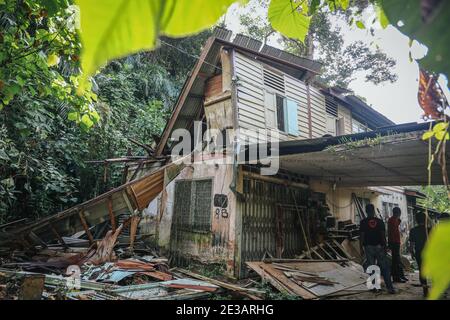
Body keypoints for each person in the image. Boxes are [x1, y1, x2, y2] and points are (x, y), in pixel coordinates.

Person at [360, 204, 396, 294]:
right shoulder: (380, 222)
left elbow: (362, 236)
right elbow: (383, 235)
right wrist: (385, 246)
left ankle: (375, 287)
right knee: (384, 267)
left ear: (366, 211)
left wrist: (361, 247)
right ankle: (390, 288)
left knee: (372, 267)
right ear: (373, 211)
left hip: (368, 247)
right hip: (379, 247)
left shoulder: (363, 222)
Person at [409, 211, 430, 297]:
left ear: (416, 220)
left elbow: (411, 245)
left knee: (422, 271)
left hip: (419, 253)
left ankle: (425, 290)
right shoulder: (429, 229)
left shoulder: (413, 230)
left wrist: (412, 253)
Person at [388, 207, 408, 283]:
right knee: (395, 261)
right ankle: (396, 277)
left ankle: (401, 275)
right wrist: (391, 243)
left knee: (397, 260)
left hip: (396, 241)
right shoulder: (392, 220)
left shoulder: (395, 220)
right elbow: (391, 232)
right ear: (398, 213)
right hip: (394, 242)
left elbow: (396, 226)